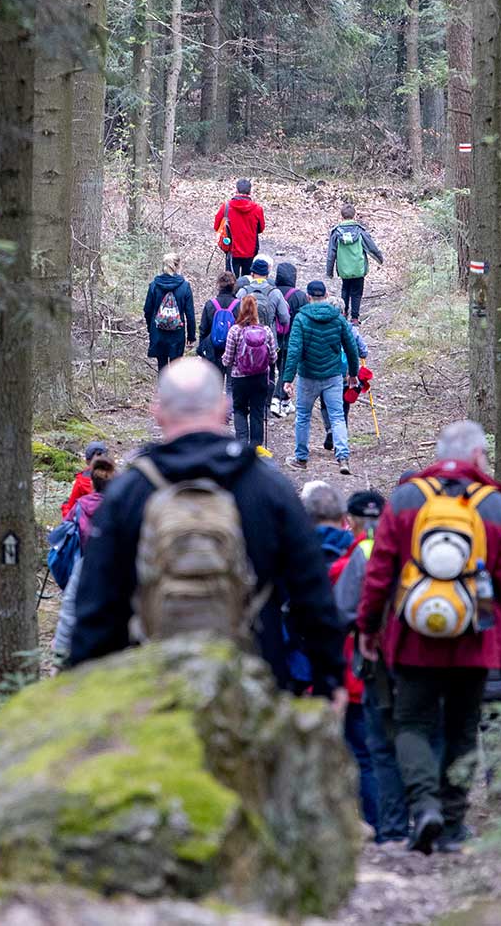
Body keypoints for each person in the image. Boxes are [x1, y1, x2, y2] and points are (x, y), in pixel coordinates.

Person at [67, 358, 346, 703]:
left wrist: (86, 698)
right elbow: (313, 595)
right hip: (253, 691)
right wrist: (330, 681)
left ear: (158, 412)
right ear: (224, 408)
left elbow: (95, 608)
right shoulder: (268, 487)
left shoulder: (127, 493)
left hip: (152, 697)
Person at [356, 421, 501, 854]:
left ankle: (424, 807)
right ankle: (453, 825)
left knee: (411, 723)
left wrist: (368, 627)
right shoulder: (495, 505)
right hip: (475, 639)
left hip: (413, 637)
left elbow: (380, 573)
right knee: (462, 729)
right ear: (477, 455)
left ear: (439, 454)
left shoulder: (406, 499)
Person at [334, 488, 408, 844]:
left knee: (373, 750)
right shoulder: (413, 547)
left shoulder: (357, 556)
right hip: (415, 659)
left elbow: (341, 612)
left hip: (366, 665)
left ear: (350, 521)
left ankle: (386, 827)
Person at [280, 279, 362, 475]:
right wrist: (353, 374)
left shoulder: (301, 319)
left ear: (308, 297)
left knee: (303, 417)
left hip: (308, 376)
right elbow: (351, 347)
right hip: (333, 376)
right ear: (326, 296)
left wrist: (288, 378)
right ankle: (343, 457)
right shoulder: (338, 318)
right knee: (337, 417)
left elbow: (294, 350)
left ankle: (301, 458)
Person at [285, 481, 356, 695]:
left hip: (299, 663)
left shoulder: (288, 551)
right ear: (344, 518)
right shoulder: (359, 552)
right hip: (349, 666)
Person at [51, 457, 118, 660]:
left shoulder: (81, 505)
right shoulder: (117, 505)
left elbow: (65, 528)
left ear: (92, 483)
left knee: (75, 603)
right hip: (111, 565)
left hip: (82, 560)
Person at [222, 294, 278, 453]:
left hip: (239, 378)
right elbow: (273, 357)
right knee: (257, 411)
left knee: (239, 410)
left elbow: (227, 360)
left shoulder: (234, 331)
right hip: (260, 378)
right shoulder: (266, 331)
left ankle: (241, 446)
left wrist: (227, 361)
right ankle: (256, 448)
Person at [324, 201, 384, 323]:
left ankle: (343, 313)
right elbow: (371, 247)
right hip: (358, 268)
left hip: (344, 269)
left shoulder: (336, 232)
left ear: (342, 216)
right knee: (357, 292)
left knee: (345, 289)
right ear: (354, 215)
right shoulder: (360, 231)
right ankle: (355, 318)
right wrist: (380, 259)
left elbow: (331, 254)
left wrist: (329, 272)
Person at [144, 254, 196, 371]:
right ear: (178, 266)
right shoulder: (185, 286)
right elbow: (190, 314)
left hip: (158, 332)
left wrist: (150, 328)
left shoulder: (154, 285)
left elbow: (147, 310)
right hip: (177, 334)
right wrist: (191, 335)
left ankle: (162, 383)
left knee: (162, 366)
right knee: (175, 368)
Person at [213, 178, 268, 279]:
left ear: (236, 190)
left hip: (231, 251)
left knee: (231, 282)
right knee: (248, 282)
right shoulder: (257, 209)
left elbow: (217, 226)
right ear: (250, 192)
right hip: (250, 251)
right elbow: (261, 229)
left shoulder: (226, 207)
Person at [270, 260, 304, 417]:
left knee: (275, 369)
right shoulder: (299, 296)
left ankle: (284, 401)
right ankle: (277, 399)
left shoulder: (271, 292)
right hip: (291, 339)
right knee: (286, 370)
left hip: (272, 338)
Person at [237, 258, 290, 354]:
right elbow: (285, 319)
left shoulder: (243, 292)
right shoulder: (275, 293)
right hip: (268, 343)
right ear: (267, 275)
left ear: (252, 274)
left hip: (245, 343)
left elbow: (236, 315)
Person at [198, 271, 241, 377]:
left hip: (213, 349)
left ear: (219, 285)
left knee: (215, 382)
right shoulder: (239, 305)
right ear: (234, 286)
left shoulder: (210, 304)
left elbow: (203, 329)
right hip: (233, 350)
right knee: (231, 383)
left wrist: (201, 350)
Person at [59, 441, 113, 519]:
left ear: (87, 461)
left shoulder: (81, 481)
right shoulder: (118, 479)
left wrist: (64, 507)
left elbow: (70, 512)